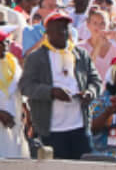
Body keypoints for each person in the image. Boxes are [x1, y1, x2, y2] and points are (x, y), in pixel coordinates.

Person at [18, 13, 98, 159]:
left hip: (79, 126)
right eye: (57, 29)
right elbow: (25, 86)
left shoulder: (81, 54)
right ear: (47, 32)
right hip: (51, 129)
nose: (62, 32)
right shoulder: (36, 57)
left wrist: (89, 93)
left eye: (65, 28)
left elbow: (95, 80)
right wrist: (51, 92)